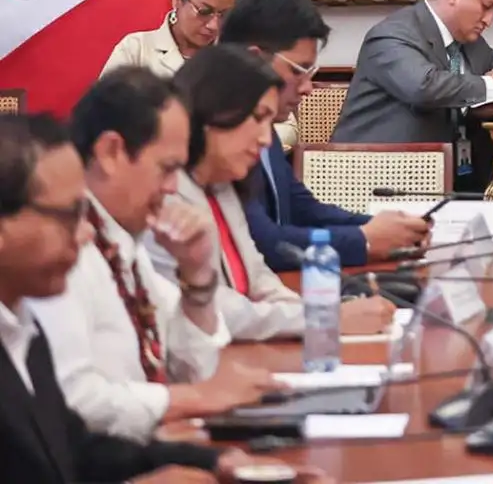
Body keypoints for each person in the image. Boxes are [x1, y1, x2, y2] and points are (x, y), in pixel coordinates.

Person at [30, 68, 274, 440]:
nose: (174, 187)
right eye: (167, 168)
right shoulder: (60, 251)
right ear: (111, 152)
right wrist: (187, 401)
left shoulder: (123, 238)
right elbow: (73, 401)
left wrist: (196, 274)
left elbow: (195, 369)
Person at [0, 111, 230, 481]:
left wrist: (212, 463)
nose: (85, 234)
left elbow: (77, 450)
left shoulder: (23, 327)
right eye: (68, 216)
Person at [148, 46, 394, 340]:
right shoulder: (164, 197)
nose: (265, 139)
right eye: (258, 118)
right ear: (212, 114)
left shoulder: (222, 186)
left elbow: (259, 279)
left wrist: (317, 314)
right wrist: (325, 320)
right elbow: (218, 309)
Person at [220, 0, 430, 269]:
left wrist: (386, 229)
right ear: (256, 59)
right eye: (298, 70)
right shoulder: (217, 131)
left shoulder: (260, 119)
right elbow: (261, 242)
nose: (307, 88)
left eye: (311, 73)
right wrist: (363, 238)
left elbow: (301, 208)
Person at [332, 0, 493, 184]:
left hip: (445, 180)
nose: (489, 20)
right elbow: (424, 86)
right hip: (374, 179)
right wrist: (492, 85)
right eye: (485, 6)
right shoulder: (393, 35)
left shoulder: (468, 42)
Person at [102, 0, 238, 78]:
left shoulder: (234, 60)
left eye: (224, 15)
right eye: (204, 11)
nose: (213, 25)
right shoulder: (136, 49)